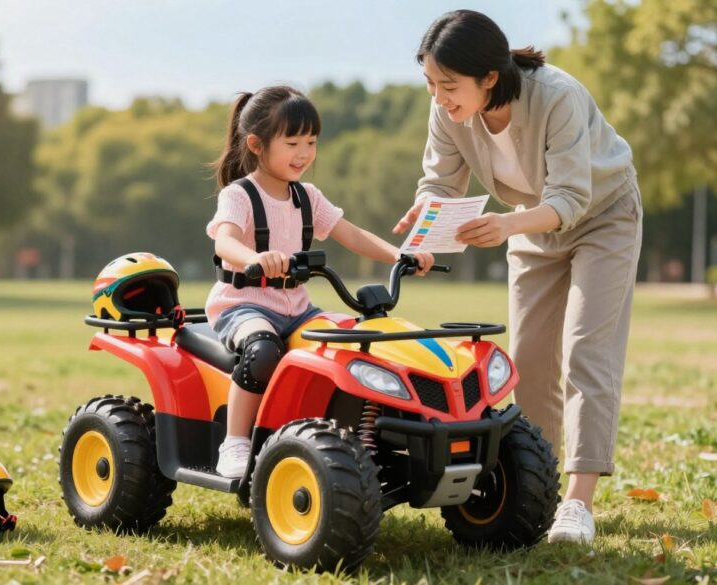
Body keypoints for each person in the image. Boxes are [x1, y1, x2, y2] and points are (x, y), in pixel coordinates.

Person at [393, 10, 643, 545]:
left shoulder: (557, 96)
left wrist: (506, 225)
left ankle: (577, 504)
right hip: (530, 222)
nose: (439, 97)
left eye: (449, 85)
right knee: (526, 363)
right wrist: (427, 229)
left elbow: (573, 197)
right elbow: (439, 182)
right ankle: (539, 491)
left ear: (489, 77)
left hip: (603, 216)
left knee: (585, 350)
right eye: (431, 84)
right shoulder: (448, 110)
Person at [207, 86, 434, 478]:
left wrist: (400, 255)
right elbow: (225, 241)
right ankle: (237, 441)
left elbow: (352, 233)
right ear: (257, 145)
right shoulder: (239, 195)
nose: (304, 153)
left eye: (311, 142)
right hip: (243, 305)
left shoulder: (307, 196)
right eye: (292, 142)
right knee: (262, 350)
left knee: (353, 341)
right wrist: (256, 259)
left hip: (296, 309)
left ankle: (352, 438)